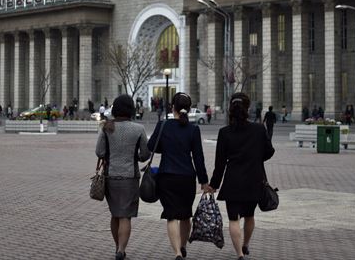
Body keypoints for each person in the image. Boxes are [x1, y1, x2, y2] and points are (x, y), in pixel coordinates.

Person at [206, 93, 275, 260]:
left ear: (230, 109)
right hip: (254, 179)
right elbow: (270, 151)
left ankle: (239, 254)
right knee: (250, 215)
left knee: (233, 218)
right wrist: (255, 158)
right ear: (248, 108)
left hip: (233, 181)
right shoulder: (259, 129)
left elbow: (220, 164)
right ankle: (245, 244)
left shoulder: (225, 132)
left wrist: (213, 185)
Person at [147, 93, 209, 260]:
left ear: (172, 107)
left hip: (167, 175)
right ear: (188, 109)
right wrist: (204, 181)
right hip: (187, 177)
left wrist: (166, 147)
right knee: (185, 215)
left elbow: (151, 146)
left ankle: (177, 253)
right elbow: (198, 157)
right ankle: (182, 246)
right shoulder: (194, 129)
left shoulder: (163, 125)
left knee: (171, 215)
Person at [95, 95, 150, 260]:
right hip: (130, 176)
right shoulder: (138, 129)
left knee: (115, 214)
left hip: (111, 175)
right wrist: (137, 158)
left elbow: (100, 152)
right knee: (126, 215)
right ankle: (121, 249)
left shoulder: (107, 127)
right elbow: (145, 154)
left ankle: (117, 247)